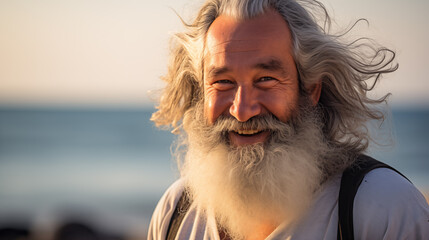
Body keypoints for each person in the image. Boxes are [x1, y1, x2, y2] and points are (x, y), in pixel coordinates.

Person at [148, 0, 429, 239]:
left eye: (266, 79)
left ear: (311, 89)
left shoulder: (384, 208)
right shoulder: (176, 214)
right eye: (222, 82)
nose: (242, 110)